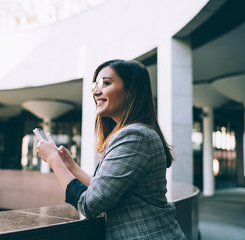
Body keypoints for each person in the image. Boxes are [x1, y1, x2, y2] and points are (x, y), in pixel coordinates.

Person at [33, 59, 186, 240]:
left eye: (106, 83)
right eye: (95, 85)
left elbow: (90, 205)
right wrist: (69, 165)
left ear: (131, 91)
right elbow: (104, 189)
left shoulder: (135, 135)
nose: (96, 92)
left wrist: (53, 160)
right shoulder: (136, 133)